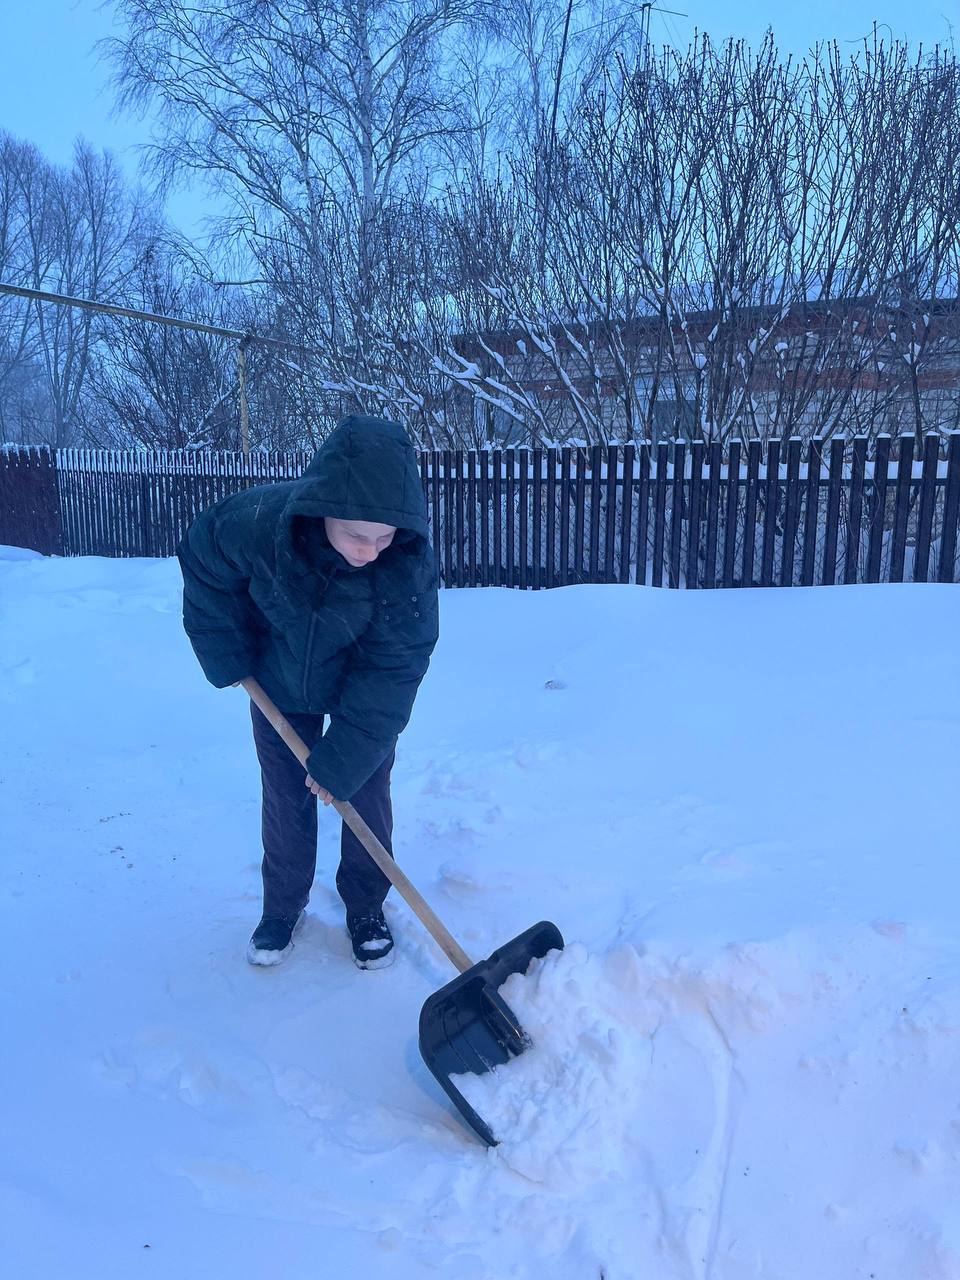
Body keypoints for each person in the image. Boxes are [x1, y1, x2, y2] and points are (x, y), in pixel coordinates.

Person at [176, 414, 439, 969]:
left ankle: (366, 905)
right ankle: (282, 908)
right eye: (356, 535)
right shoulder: (260, 524)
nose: (371, 550)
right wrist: (226, 646)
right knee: (285, 793)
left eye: (383, 535)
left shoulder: (404, 564)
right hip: (278, 679)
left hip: (357, 689)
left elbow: (395, 666)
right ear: (322, 512)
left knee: (362, 791)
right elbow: (204, 555)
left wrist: (344, 755)